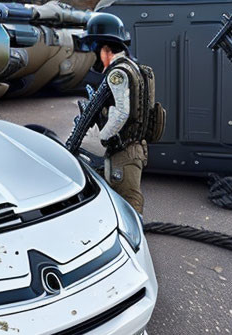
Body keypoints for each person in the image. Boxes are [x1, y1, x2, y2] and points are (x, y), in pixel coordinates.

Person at [79, 13, 164, 215]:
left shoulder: (118, 73)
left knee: (128, 200)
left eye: (95, 48)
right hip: (131, 145)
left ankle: (134, 240)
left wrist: (102, 138)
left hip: (125, 149)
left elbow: (121, 113)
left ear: (105, 48)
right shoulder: (131, 67)